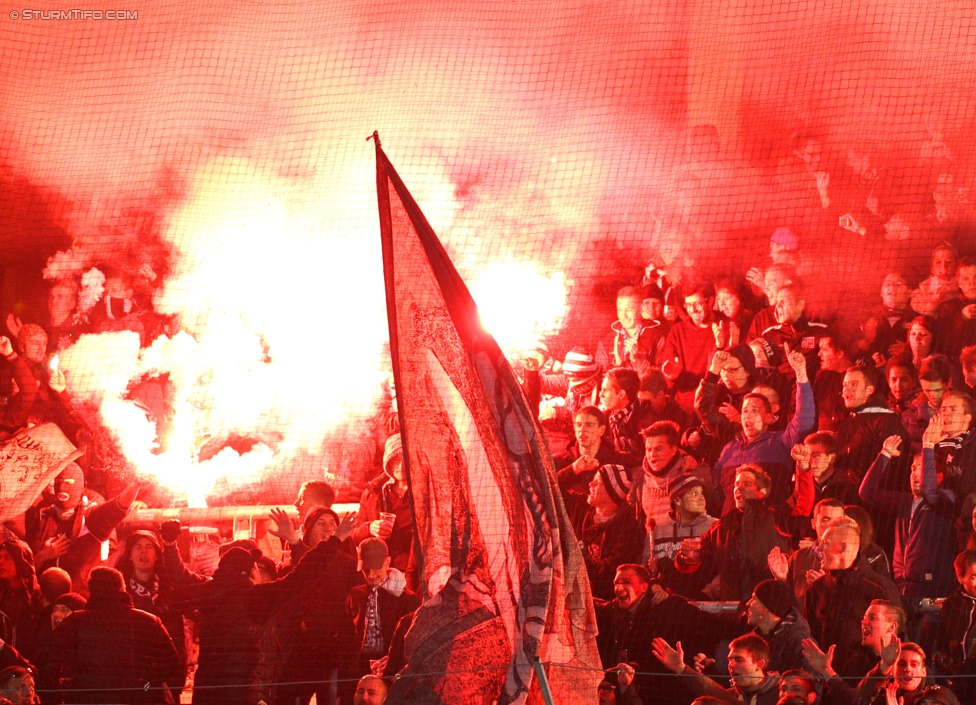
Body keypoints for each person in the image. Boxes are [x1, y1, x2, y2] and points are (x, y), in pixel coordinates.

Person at [163, 514, 358, 705]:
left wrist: (170, 545)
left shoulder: (208, 593)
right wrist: (335, 540)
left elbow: (178, 577)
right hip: (245, 695)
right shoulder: (257, 598)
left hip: (206, 693)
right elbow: (304, 573)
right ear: (251, 572)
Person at [45, 566, 183, 704]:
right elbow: (173, 668)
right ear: (122, 587)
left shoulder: (74, 622)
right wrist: (149, 691)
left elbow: (49, 668)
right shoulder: (149, 622)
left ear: (91, 589)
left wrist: (59, 699)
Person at [859, 427, 956, 605]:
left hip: (933, 589)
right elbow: (866, 492)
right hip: (902, 586)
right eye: (912, 468)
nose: (914, 473)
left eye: (921, 469)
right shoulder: (903, 501)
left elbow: (929, 490)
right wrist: (885, 455)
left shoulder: (945, 500)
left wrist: (928, 445)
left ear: (939, 476)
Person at [712, 344, 815, 514]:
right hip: (731, 531)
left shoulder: (780, 443)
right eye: (745, 411)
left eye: (755, 410)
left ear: (770, 417)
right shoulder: (729, 449)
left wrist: (801, 375)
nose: (748, 415)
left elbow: (804, 418)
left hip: (766, 527)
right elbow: (715, 489)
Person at [19, 464, 140, 593]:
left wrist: (136, 484)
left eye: (68, 483)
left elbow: (118, 506)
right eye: (59, 482)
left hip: (81, 601)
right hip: (46, 602)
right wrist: (44, 555)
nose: (62, 487)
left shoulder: (91, 518)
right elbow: (25, 572)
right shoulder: (41, 517)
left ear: (79, 486)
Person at [802, 520, 901, 677]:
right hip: (829, 683)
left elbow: (899, 639)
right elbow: (812, 638)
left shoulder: (879, 588)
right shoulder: (816, 589)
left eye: (825, 543)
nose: (818, 548)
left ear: (843, 548)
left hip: (868, 683)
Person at [802, 599, 907, 703]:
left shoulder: (908, 662)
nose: (863, 621)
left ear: (891, 627)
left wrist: (827, 671)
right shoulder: (853, 658)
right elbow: (851, 700)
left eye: (872, 618)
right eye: (864, 617)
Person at [346, 538, 421, 683]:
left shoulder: (408, 600)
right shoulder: (355, 595)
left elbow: (413, 643)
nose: (371, 575)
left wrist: (393, 660)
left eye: (376, 568)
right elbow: (347, 635)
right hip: (357, 672)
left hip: (391, 672)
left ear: (387, 562)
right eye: (366, 569)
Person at [566, 464, 644, 599]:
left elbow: (611, 571)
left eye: (599, 482)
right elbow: (549, 488)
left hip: (602, 601)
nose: (591, 483)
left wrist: (580, 560)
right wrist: (573, 469)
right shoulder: (579, 507)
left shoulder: (630, 529)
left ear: (612, 493)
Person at [629, 420, 707, 547]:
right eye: (648, 450)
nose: (652, 455)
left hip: (685, 555)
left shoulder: (694, 474)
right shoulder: (639, 480)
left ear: (673, 449)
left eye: (658, 449)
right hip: (652, 554)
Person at [351, 434, 415, 589]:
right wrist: (370, 528)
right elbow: (355, 535)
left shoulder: (424, 494)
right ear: (388, 463)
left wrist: (410, 577)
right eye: (395, 460)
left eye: (405, 457)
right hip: (377, 573)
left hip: (410, 574)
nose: (400, 465)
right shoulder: (374, 492)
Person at [652, 633, 781, 705]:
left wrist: (683, 670)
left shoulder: (780, 695)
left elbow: (710, 689)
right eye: (730, 659)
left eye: (739, 660)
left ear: (759, 664)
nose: (731, 665)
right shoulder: (729, 695)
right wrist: (680, 668)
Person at [835, 364, 910, 482]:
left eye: (854, 384)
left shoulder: (887, 421)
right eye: (845, 384)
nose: (846, 389)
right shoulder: (846, 423)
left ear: (869, 390)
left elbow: (893, 470)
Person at [650, 473, 717, 575]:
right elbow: (649, 567)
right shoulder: (657, 528)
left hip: (701, 589)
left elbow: (720, 570)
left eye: (701, 493)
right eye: (694, 494)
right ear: (678, 500)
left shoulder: (714, 526)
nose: (701, 498)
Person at [934, 550, 976, 703]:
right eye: (974, 577)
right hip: (959, 681)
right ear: (960, 578)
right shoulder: (951, 606)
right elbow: (942, 641)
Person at [596, 286, 664, 374]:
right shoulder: (606, 342)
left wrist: (637, 361)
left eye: (629, 310)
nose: (624, 316)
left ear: (641, 308)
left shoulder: (657, 338)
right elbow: (600, 377)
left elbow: (661, 378)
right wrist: (617, 363)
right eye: (620, 310)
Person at [599, 367, 655, 466]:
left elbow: (641, 458)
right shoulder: (603, 416)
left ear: (621, 394)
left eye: (605, 390)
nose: (600, 395)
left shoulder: (646, 416)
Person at [903, 356, 952, 454]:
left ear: (949, 382)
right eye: (927, 390)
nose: (932, 395)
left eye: (938, 390)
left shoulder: (965, 409)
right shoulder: (910, 416)